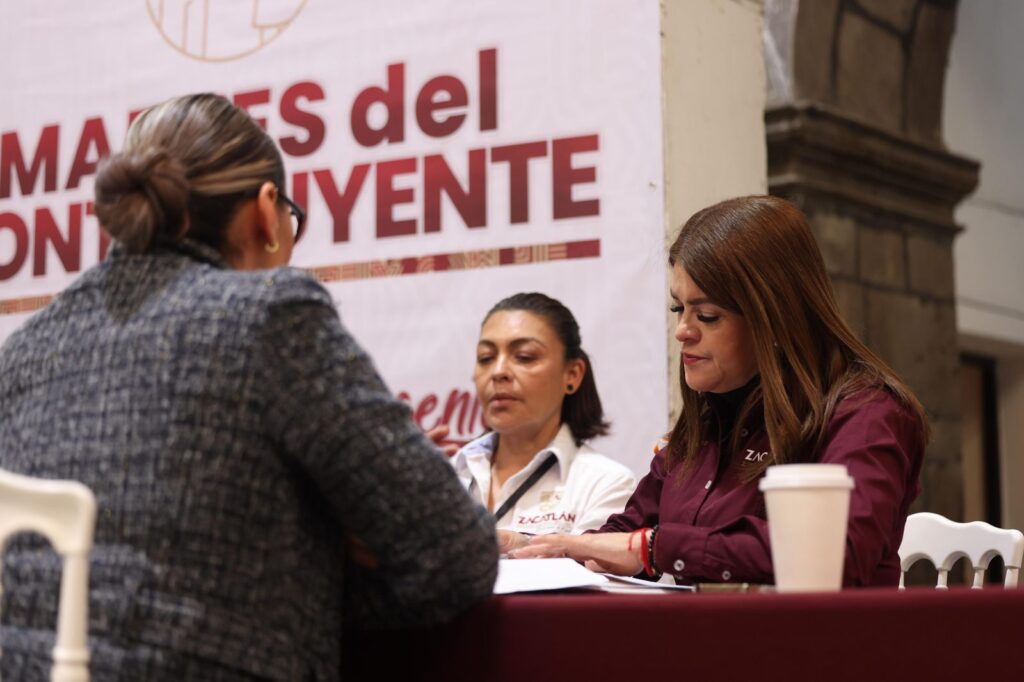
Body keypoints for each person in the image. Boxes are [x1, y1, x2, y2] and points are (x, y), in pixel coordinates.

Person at [0, 94, 497, 681]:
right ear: (266, 212)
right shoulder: (269, 314)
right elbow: (456, 556)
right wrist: (319, 558)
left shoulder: (20, 350)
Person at [513, 195, 927, 587]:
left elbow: (834, 553)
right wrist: (535, 548)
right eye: (678, 309)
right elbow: (626, 535)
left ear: (776, 318)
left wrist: (654, 548)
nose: (683, 331)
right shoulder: (711, 416)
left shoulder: (868, 412)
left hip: (822, 638)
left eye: (707, 316)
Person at [450, 293, 637, 554]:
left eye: (524, 356)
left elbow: (593, 575)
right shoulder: (446, 475)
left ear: (572, 374)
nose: (498, 371)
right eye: (486, 357)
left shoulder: (606, 483)